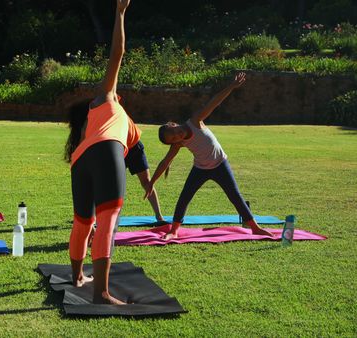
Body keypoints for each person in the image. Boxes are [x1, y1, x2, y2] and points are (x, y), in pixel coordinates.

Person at [144, 72, 273, 240]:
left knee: (235, 195)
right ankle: (174, 230)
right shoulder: (178, 144)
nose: (177, 136)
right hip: (200, 169)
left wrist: (232, 86)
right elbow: (165, 162)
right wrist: (151, 183)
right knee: (185, 197)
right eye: (173, 139)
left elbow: (214, 102)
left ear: (173, 124)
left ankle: (255, 227)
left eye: (174, 132)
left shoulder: (195, 121)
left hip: (220, 164)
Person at [64, 0, 131, 305]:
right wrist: (119, 14)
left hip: (82, 161)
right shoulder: (106, 99)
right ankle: (101, 293)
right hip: (105, 154)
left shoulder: (101, 119)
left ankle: (78, 276)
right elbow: (117, 54)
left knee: (83, 221)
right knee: (107, 219)